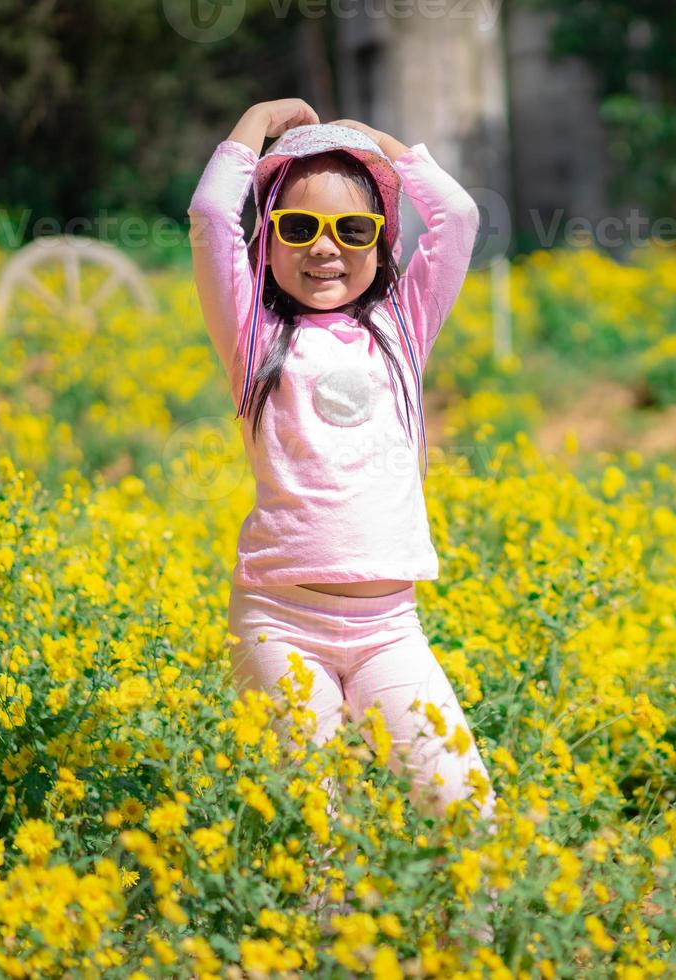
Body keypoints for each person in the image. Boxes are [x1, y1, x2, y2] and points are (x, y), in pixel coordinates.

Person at [187, 100, 499, 941]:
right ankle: (313, 957)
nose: (325, 247)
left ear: (380, 240)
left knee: (463, 808)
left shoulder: (401, 330)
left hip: (388, 628)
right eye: (298, 225)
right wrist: (253, 129)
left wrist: (380, 147)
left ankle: (479, 952)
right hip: (280, 624)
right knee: (309, 833)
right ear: (271, 235)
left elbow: (458, 216)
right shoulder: (252, 336)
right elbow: (213, 215)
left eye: (354, 230)